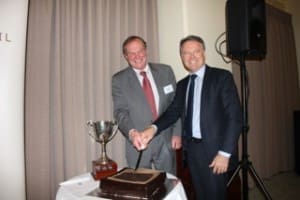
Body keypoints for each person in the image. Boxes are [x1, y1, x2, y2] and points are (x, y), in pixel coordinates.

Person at [135, 35, 242, 200]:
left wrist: (225, 153)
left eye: (196, 51)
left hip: (216, 152)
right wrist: (152, 129)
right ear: (181, 57)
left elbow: (234, 117)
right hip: (192, 151)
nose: (192, 57)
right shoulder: (183, 84)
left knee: (215, 196)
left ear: (203, 53)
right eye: (186, 53)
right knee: (200, 195)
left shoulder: (221, 77)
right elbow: (172, 112)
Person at [111, 35, 181, 175]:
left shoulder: (166, 71)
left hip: (166, 139)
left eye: (140, 50)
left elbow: (176, 104)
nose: (137, 56)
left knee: (168, 184)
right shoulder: (119, 80)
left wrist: (177, 133)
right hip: (138, 144)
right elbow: (120, 112)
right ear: (126, 56)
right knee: (141, 186)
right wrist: (132, 133)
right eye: (131, 53)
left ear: (146, 51)